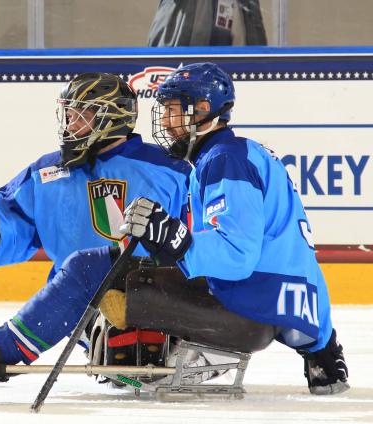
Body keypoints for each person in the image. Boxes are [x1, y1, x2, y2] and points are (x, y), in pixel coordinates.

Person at [0, 72, 191, 393]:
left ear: (112, 116)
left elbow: (196, 240)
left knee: (86, 271)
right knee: (78, 278)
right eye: (68, 114)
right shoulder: (48, 171)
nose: (70, 124)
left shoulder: (171, 169)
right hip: (83, 308)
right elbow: (10, 216)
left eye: (82, 114)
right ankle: (107, 347)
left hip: (158, 298)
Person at [117, 62, 349, 395]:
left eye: (172, 109)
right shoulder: (244, 153)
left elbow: (237, 254)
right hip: (270, 309)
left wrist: (173, 237)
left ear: (203, 109)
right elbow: (299, 264)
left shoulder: (224, 159)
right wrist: (321, 345)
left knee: (126, 275)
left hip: (245, 309)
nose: (165, 122)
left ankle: (133, 354)